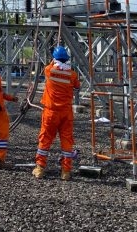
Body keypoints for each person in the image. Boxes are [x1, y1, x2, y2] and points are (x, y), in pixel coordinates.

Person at [32, 45, 81, 181]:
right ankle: (66, 171)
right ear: (66, 60)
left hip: (51, 112)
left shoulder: (49, 70)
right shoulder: (72, 74)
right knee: (66, 141)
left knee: (45, 139)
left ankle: (40, 168)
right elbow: (77, 86)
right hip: (66, 112)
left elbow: (47, 67)